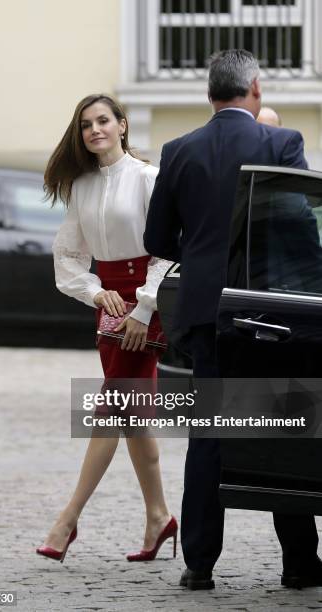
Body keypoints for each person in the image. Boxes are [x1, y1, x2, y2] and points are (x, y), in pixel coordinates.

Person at [144, 49, 321, 590]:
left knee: (209, 433)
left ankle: (199, 565)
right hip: (267, 311)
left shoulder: (178, 149)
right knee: (284, 429)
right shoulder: (280, 143)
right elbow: (295, 227)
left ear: (210, 94)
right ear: (256, 89)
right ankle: (299, 564)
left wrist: (201, 258)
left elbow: (155, 240)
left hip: (205, 313)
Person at [36, 94, 177, 564]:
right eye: (85, 125)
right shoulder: (80, 186)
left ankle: (67, 520)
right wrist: (96, 292)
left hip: (144, 307)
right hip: (109, 308)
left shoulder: (149, 178)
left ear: (122, 125)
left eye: (103, 121)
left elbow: (170, 249)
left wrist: (144, 307)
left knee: (111, 410)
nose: (94, 129)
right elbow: (69, 257)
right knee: (134, 419)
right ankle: (159, 516)